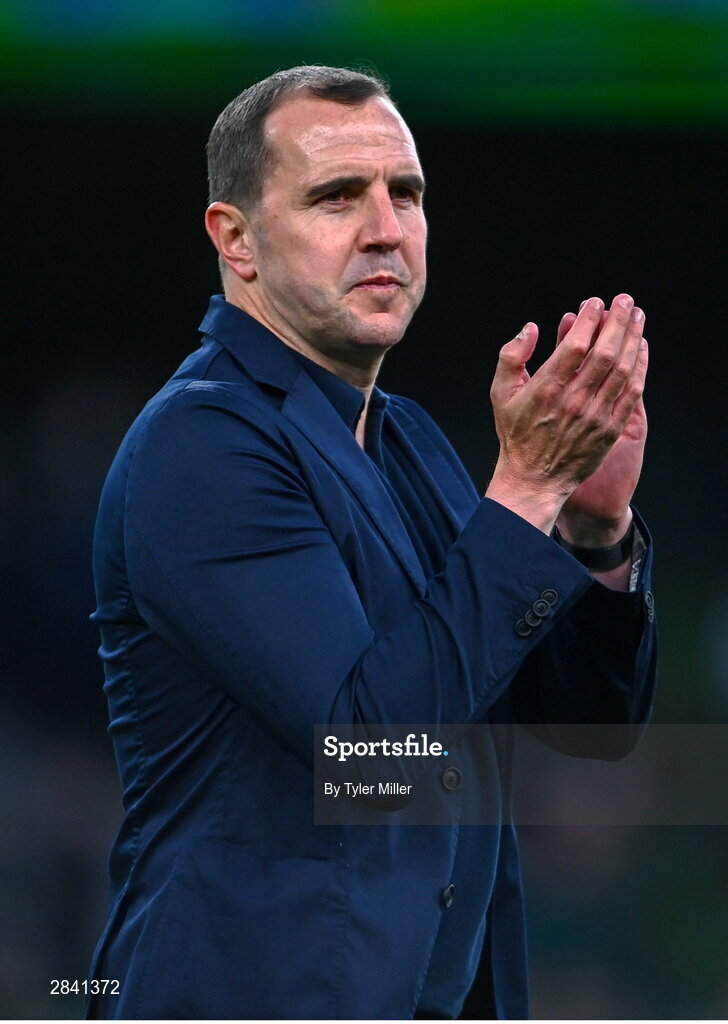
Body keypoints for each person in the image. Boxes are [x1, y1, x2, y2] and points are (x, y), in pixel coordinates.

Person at [86, 65, 656, 1020]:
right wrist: (525, 490)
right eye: (337, 195)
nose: (386, 226)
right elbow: (374, 757)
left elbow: (584, 726)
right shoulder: (203, 444)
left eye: (407, 193)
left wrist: (594, 532)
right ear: (237, 241)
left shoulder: (410, 442)